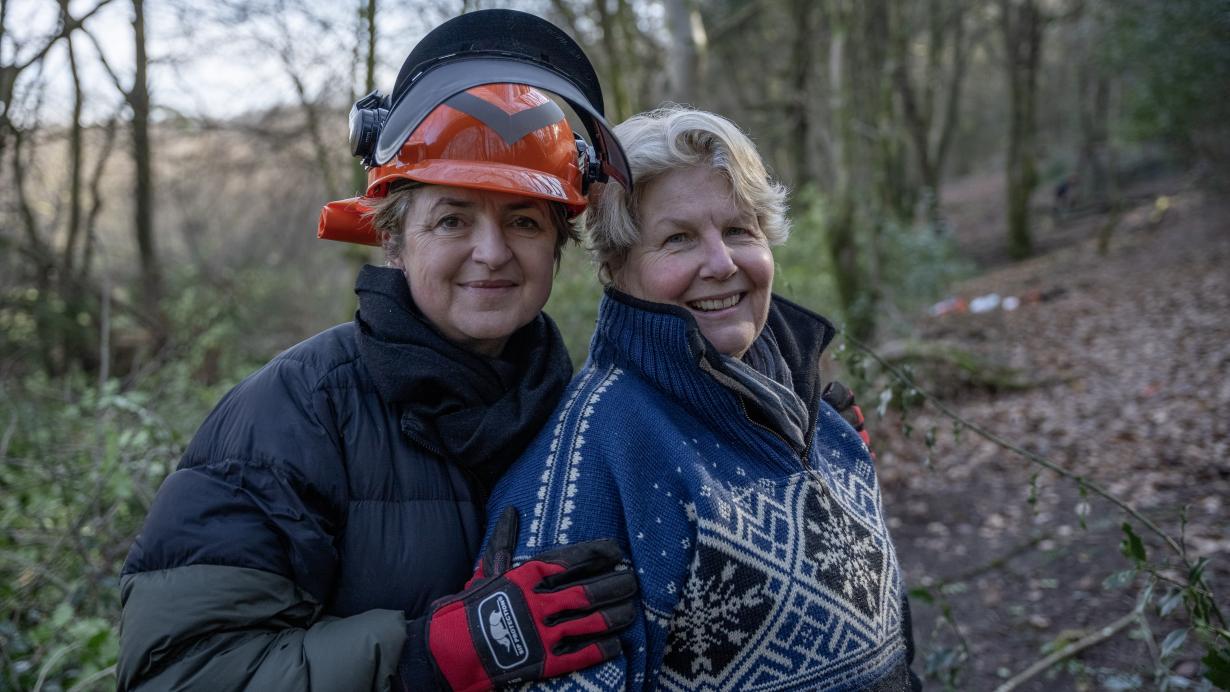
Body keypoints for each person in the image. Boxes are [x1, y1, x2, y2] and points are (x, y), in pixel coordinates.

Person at [117, 10, 640, 691]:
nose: (491, 252)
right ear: (393, 241)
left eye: (522, 220)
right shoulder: (292, 417)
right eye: (452, 218)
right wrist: (431, 657)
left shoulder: (578, 411)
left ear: (556, 245)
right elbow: (175, 673)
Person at [483, 106, 921, 690]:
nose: (721, 263)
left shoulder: (815, 413)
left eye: (740, 229)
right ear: (617, 266)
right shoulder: (597, 455)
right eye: (678, 239)